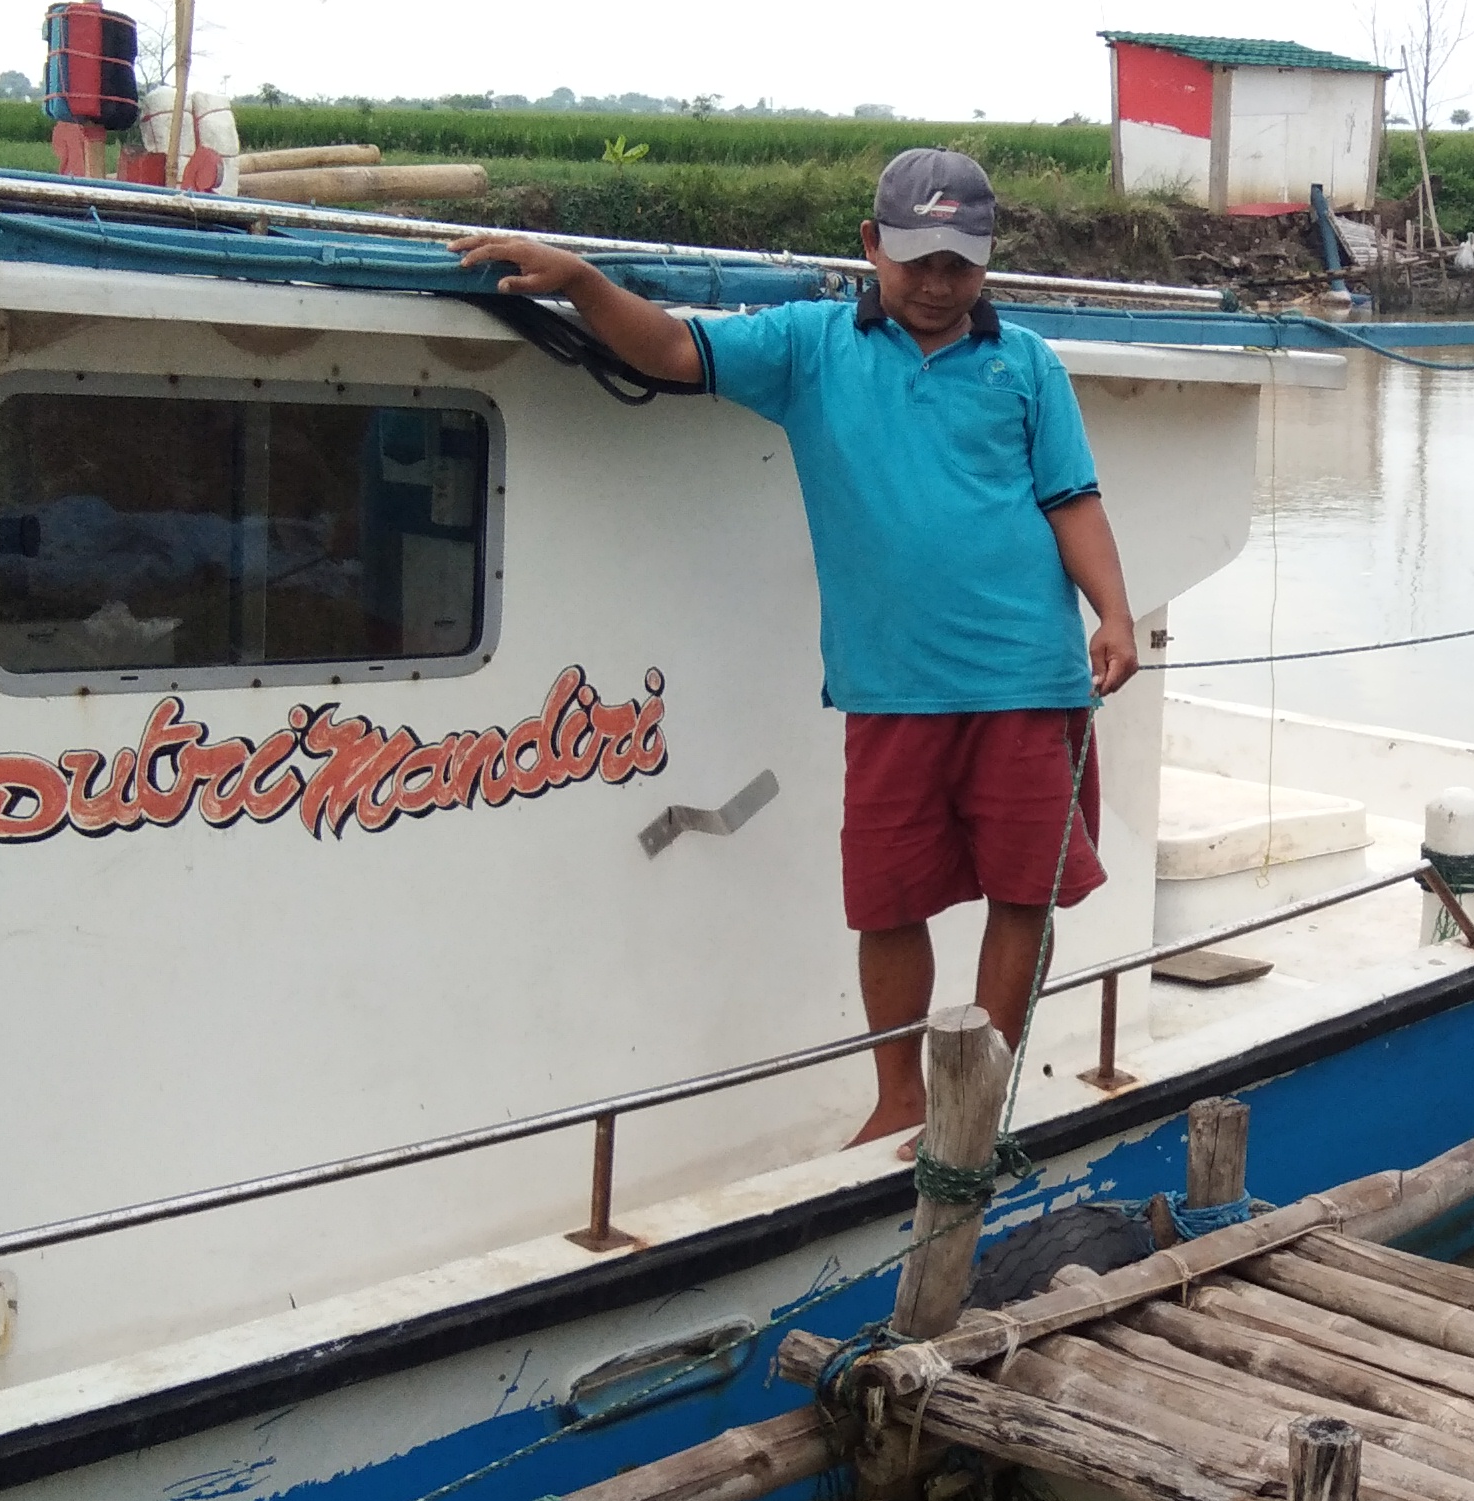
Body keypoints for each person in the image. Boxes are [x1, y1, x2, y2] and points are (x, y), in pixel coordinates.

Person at [453, 149, 1135, 1145]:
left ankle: (978, 1086)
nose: (938, 284)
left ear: (987, 260)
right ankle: (900, 1094)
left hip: (1029, 675)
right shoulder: (811, 347)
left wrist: (1111, 616)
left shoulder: (1025, 363)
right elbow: (674, 353)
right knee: (887, 899)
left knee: (1022, 889)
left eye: (960, 263)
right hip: (888, 688)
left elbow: (1071, 500)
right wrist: (588, 284)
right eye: (916, 261)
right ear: (870, 246)